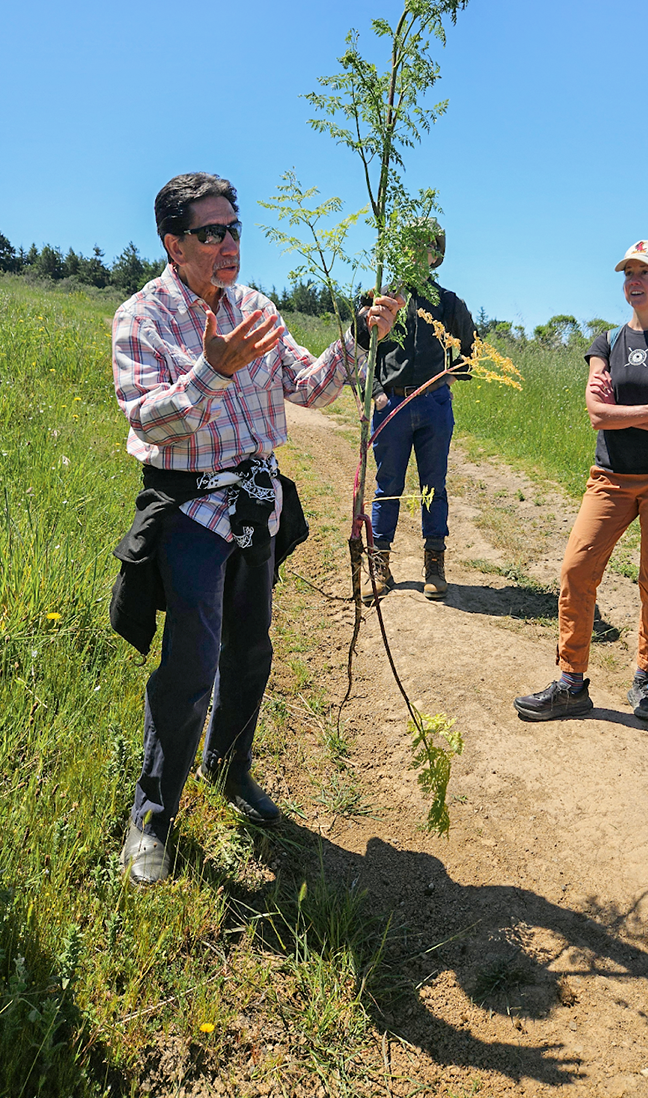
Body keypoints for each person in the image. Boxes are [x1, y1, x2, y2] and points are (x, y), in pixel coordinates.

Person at [110, 172, 401, 884]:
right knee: (190, 664)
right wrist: (210, 371)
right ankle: (151, 815)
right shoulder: (141, 317)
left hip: (254, 506)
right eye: (211, 232)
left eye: (235, 228)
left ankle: (228, 768)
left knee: (250, 652)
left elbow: (312, 387)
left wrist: (359, 338)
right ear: (174, 243)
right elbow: (147, 417)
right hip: (189, 511)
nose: (229, 242)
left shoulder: (258, 309)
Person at [514, 240, 648, 724]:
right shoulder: (605, 343)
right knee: (577, 570)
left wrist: (631, 414)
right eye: (629, 272)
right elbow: (597, 414)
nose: (635, 280)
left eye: (646, 273)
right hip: (610, 478)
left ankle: (646, 678)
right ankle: (571, 683)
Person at [367, 223, 475, 601]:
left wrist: (446, 380)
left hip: (433, 405)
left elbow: (472, 353)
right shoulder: (382, 299)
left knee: (434, 485)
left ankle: (434, 563)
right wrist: (378, 394)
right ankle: (379, 565)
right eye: (409, 246)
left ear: (436, 255)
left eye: (425, 247)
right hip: (391, 405)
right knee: (387, 486)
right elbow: (361, 353)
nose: (417, 253)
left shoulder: (449, 304)